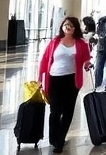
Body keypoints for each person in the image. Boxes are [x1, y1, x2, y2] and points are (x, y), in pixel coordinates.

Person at [38, 16, 93, 153]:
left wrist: (87, 64)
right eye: (66, 25)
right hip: (54, 79)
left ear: (75, 28)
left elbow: (86, 58)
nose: (68, 27)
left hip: (71, 81)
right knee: (55, 111)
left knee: (68, 112)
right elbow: (45, 60)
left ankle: (60, 140)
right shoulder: (55, 42)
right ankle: (53, 137)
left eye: (71, 25)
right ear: (62, 26)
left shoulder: (81, 43)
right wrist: (40, 79)